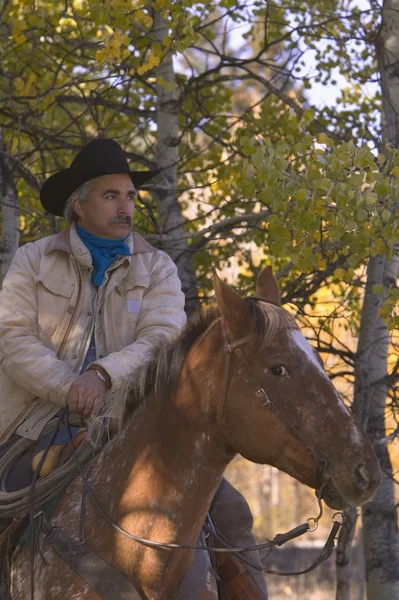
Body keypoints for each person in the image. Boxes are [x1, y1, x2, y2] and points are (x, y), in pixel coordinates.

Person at [0, 138, 267, 598]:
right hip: (37, 424)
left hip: (134, 425)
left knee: (228, 510)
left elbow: (162, 340)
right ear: (78, 206)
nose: (126, 206)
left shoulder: (157, 267)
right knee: (8, 504)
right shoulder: (33, 259)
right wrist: (68, 387)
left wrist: (102, 375)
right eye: (111, 196)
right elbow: (12, 338)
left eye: (129, 195)